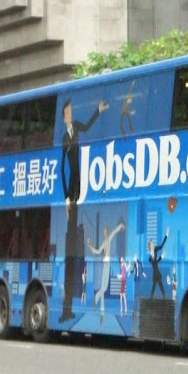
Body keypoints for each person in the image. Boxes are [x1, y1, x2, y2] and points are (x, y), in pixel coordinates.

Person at [59, 97, 109, 323]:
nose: (71, 114)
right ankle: (66, 309)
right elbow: (62, 167)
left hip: (80, 187)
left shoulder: (77, 126)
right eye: (68, 112)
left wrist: (98, 110)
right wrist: (66, 198)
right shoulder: (63, 138)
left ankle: (68, 308)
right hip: (72, 191)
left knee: (74, 246)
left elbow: (88, 126)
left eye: (71, 110)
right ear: (64, 116)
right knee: (70, 247)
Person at [148, 228, 169, 299]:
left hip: (157, 273)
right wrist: (161, 257)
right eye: (152, 244)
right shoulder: (149, 258)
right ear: (150, 246)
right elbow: (155, 263)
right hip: (155, 274)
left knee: (161, 287)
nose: (153, 244)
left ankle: (164, 298)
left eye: (153, 243)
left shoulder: (155, 249)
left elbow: (162, 245)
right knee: (153, 288)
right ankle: (151, 300)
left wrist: (166, 235)